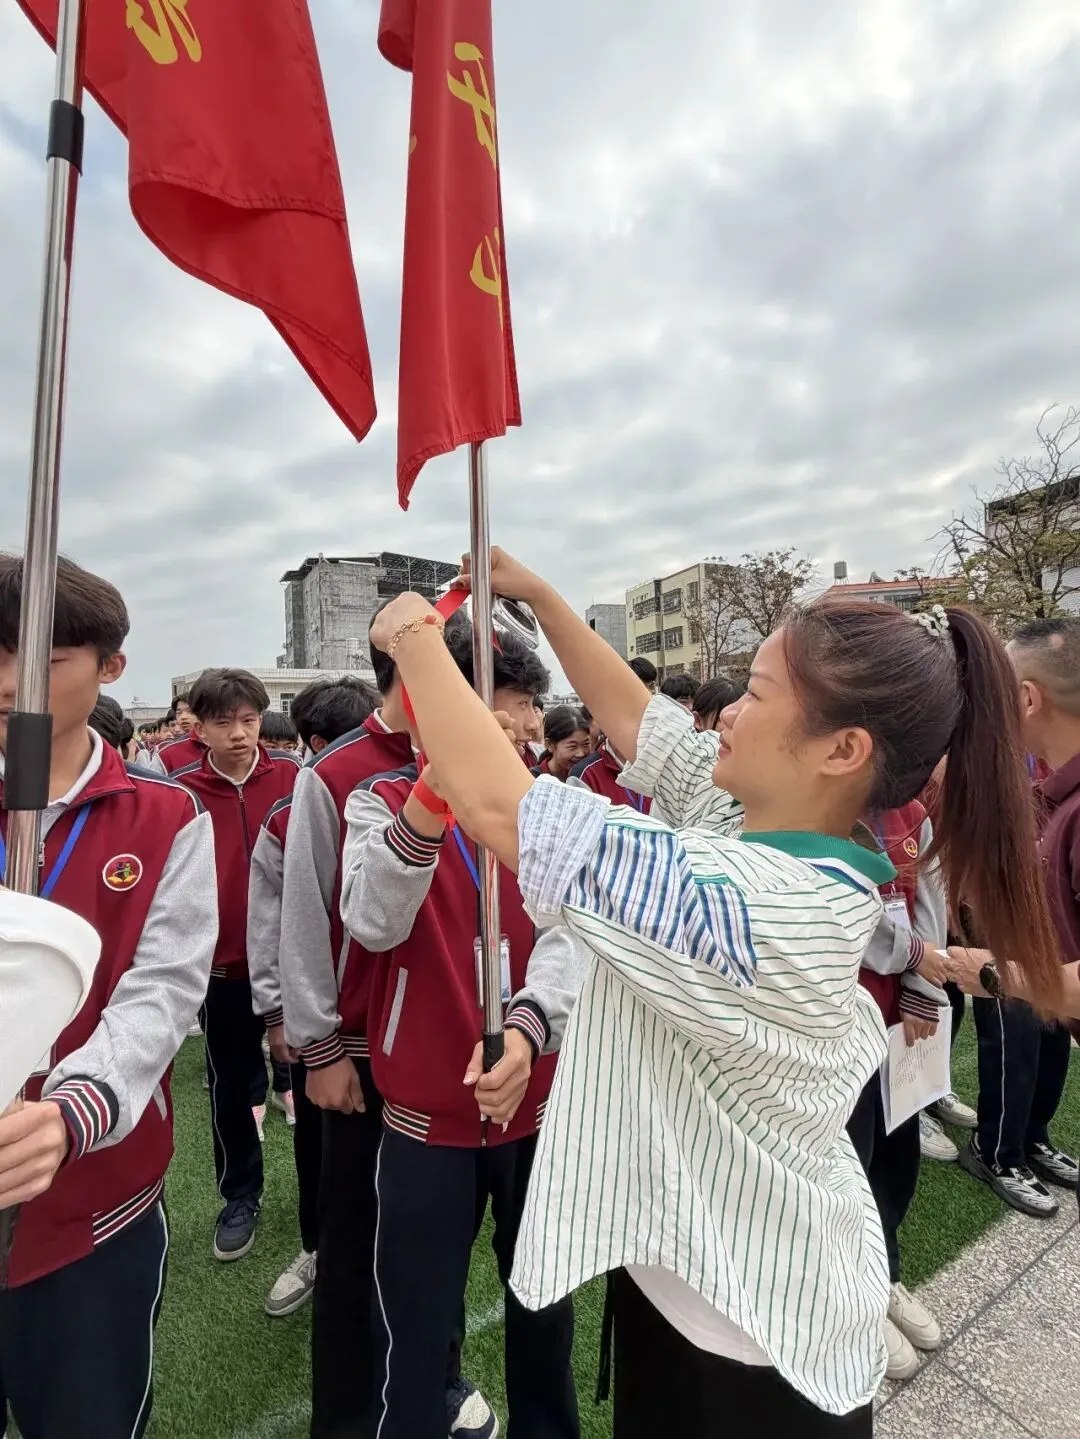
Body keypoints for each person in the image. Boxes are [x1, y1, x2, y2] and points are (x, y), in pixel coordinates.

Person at [370, 554, 1062, 1437]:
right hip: (697, 1278)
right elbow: (644, 724)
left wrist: (414, 642)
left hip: (751, 1342)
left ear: (843, 751)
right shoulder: (768, 821)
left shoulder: (763, 904)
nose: (726, 709)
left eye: (758, 695)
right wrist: (539, 594)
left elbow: (507, 811)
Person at [338, 620, 579, 1439]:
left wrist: (527, 1025)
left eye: (523, 705)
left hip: (534, 1106)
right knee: (412, 1334)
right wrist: (433, 801)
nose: (516, 723)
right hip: (424, 1119)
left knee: (544, 1311)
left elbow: (570, 935)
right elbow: (372, 922)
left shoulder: (551, 808)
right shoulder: (377, 802)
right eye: (502, 704)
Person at [0, 555, 217, 1439]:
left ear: (109, 666)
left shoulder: (165, 816)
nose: (12, 681)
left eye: (47, 659)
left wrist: (71, 1109)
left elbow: (162, 991)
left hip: (96, 1206)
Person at [279, 612, 497, 1439]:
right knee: (359, 1246)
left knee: (428, 1243)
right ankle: (345, 1415)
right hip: (364, 1050)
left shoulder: (482, 763)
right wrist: (322, 1046)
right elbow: (303, 923)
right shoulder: (337, 773)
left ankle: (431, 1379)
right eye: (458, 681)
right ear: (410, 674)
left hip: (456, 1047)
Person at [248, 677, 378, 1319]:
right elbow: (276, 924)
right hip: (322, 1028)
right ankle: (314, 1248)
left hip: (391, 1028)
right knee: (320, 1154)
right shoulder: (294, 811)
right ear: (317, 745)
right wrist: (281, 1017)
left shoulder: (421, 784)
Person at [951, 618, 1080, 1217]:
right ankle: (1001, 1147)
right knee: (1021, 1036)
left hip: (1029, 945)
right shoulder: (999, 756)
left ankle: (1029, 1139)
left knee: (1043, 1032)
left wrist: (1001, 973)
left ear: (1027, 698)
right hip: (1007, 919)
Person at [173, 668, 300, 1263]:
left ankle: (318, 1202)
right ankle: (241, 1194)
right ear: (198, 727)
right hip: (222, 971)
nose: (240, 734)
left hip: (293, 966)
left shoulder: (296, 781)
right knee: (233, 1087)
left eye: (249, 720)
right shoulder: (181, 794)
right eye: (223, 722)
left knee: (306, 1081)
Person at [848, 799, 949, 1380]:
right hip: (841, 1023)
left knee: (896, 1160)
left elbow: (928, 905)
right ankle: (856, 1302)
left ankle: (885, 1275)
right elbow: (852, 915)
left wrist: (921, 986)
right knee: (849, 1167)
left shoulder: (912, 813)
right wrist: (918, 957)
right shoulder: (823, 799)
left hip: (900, 1023)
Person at [150, 690, 207, 775]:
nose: (183, 717)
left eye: (190, 711)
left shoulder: (226, 744)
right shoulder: (165, 755)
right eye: (179, 713)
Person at [532, 705, 592, 780]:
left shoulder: (591, 777)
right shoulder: (533, 779)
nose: (581, 753)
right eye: (573, 746)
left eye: (586, 744)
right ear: (549, 745)